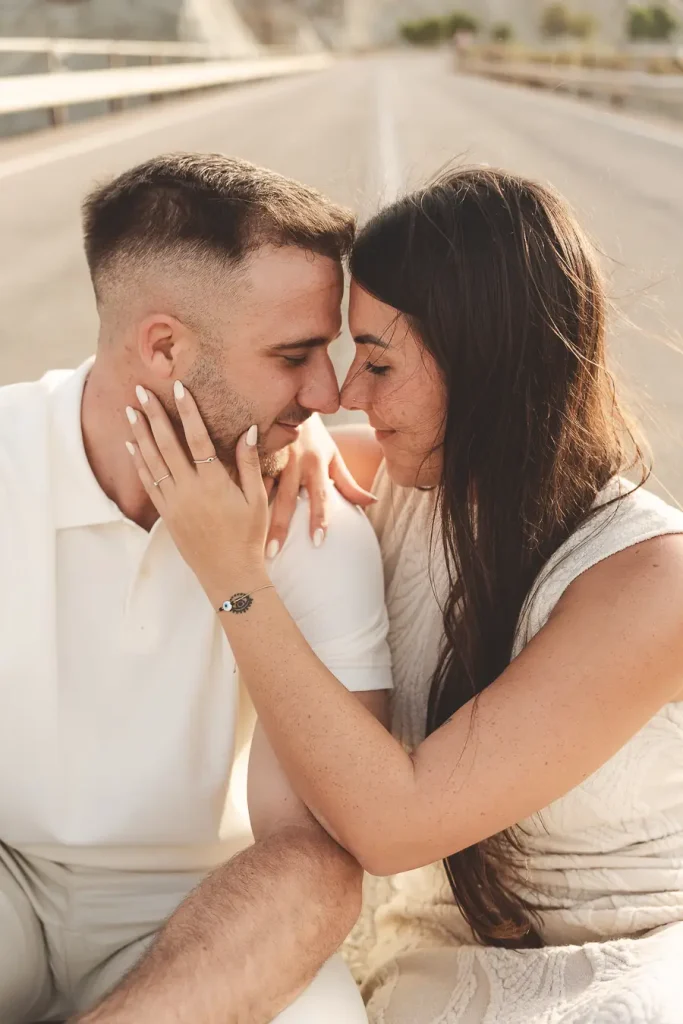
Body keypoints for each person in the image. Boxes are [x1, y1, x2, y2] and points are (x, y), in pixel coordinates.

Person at [131, 165, 683, 1024]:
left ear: (487, 369)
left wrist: (235, 582)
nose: (348, 395)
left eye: (378, 363)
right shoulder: (384, 481)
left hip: (646, 955)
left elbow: (395, 828)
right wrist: (302, 438)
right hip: (447, 962)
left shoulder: (650, 580)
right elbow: (208, 430)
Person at [0, 152, 393, 1024]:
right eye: (294, 355)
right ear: (164, 347)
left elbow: (316, 853)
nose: (328, 395)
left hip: (213, 903)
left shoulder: (313, 517)